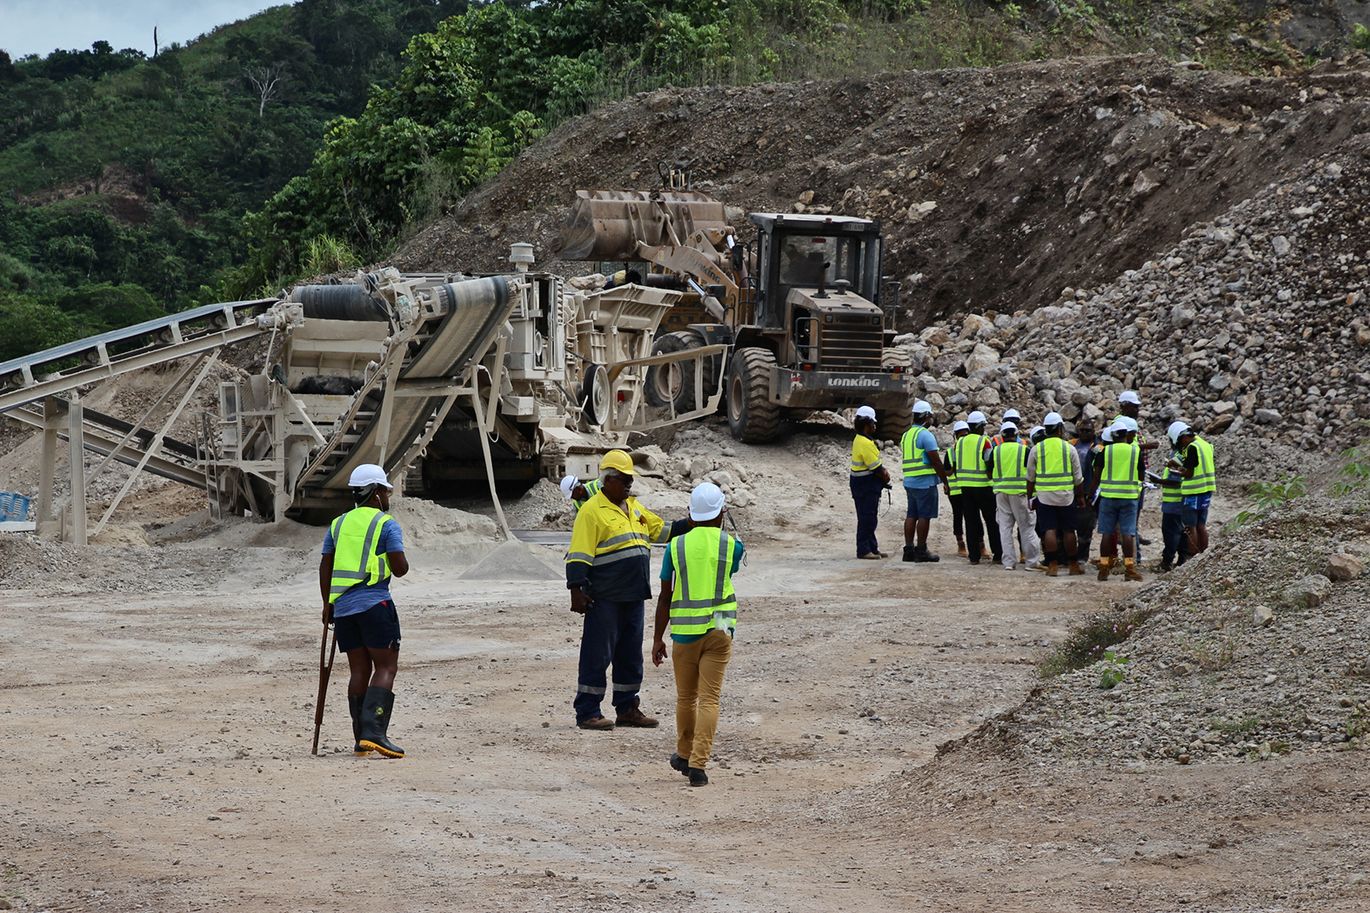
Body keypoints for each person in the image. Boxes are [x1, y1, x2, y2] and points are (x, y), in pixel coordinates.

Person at [565, 449, 668, 730]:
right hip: (606, 596)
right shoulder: (591, 511)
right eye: (623, 480)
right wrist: (576, 589)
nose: (628, 485)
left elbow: (661, 531)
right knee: (597, 654)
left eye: (630, 480)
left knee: (630, 654)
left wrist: (695, 525)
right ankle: (587, 711)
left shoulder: (633, 507)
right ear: (607, 480)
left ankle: (627, 708)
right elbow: (579, 554)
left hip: (634, 595)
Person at [651, 483, 744, 788]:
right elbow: (729, 568)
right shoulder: (731, 545)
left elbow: (665, 597)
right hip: (719, 627)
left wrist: (657, 638)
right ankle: (698, 766)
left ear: (690, 514)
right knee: (710, 699)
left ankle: (683, 752)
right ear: (721, 514)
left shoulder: (675, 547)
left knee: (686, 697)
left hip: (685, 632)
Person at [320, 463, 410, 758]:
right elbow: (399, 569)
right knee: (386, 667)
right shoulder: (386, 524)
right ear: (376, 493)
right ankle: (375, 733)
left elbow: (326, 566)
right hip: (375, 604)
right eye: (385, 491)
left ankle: (361, 737)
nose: (387, 497)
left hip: (343, 608)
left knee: (359, 670)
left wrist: (327, 605)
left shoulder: (338, 524)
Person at [1027, 412, 1084, 576]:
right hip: (1066, 497)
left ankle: (1053, 566)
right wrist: (1080, 497)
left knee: (1049, 530)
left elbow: (1030, 478)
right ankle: (1073, 565)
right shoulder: (1069, 448)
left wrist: (1029, 497)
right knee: (1068, 531)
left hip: (1045, 497)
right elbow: (1078, 478)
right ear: (1060, 428)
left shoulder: (1037, 449)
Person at [1090, 419, 1144, 582]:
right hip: (1129, 497)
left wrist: (1089, 495)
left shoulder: (1105, 451)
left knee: (1107, 533)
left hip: (1108, 497)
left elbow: (1096, 476)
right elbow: (1142, 475)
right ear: (1126, 435)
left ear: (1112, 435)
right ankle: (1129, 568)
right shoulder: (1135, 451)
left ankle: (1104, 567)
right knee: (1128, 533)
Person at [900, 400, 948, 562]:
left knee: (911, 515)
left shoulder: (906, 435)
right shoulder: (925, 435)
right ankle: (921, 550)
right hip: (925, 483)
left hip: (910, 482)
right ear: (926, 416)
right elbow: (936, 461)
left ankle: (908, 550)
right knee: (924, 516)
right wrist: (945, 481)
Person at [952, 411, 1001, 565]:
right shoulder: (984, 442)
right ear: (979, 426)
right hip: (984, 487)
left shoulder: (959, 443)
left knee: (971, 522)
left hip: (965, 488)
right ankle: (998, 554)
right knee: (992, 522)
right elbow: (989, 462)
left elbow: (954, 463)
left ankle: (974, 557)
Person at [990, 422, 1040, 571]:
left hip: (1001, 492)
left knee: (1005, 528)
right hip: (1020, 493)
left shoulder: (996, 450)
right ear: (1016, 435)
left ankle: (1009, 562)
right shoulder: (1025, 450)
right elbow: (1032, 472)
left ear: (1002, 436)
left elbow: (989, 470)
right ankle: (1031, 562)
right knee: (1027, 527)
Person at [1113, 391, 1158, 550]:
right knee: (1129, 510)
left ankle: (1132, 534)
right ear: (1124, 406)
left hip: (1137, 473)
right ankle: (1128, 539)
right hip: (1128, 475)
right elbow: (1122, 447)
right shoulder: (1120, 423)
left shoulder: (1131, 423)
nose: (1137, 410)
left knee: (1136, 510)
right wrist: (1147, 446)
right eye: (1134, 407)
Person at [850, 405, 890, 559]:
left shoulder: (860, 439)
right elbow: (876, 467)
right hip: (865, 485)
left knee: (870, 517)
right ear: (867, 424)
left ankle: (872, 547)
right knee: (867, 518)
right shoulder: (865, 443)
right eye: (873, 423)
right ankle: (864, 550)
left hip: (863, 484)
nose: (875, 426)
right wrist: (885, 475)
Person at [1172, 423, 1217, 556]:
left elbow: (1190, 473)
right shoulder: (1205, 444)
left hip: (1193, 492)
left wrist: (1179, 472)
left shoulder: (1192, 447)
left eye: (1180, 442)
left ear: (1183, 437)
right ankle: (1204, 556)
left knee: (1191, 527)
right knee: (1201, 525)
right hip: (1206, 489)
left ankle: (1191, 558)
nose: (1182, 446)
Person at [1156, 421, 1194, 572]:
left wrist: (1158, 481)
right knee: (1182, 531)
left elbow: (1175, 481)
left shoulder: (1178, 456)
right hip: (1180, 501)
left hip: (1174, 503)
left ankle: (1167, 561)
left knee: (1171, 533)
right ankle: (1182, 560)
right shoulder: (1185, 453)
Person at [1070, 419, 1100, 566]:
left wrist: (1092, 492)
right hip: (1071, 490)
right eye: (1082, 430)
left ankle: (1082, 557)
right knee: (1068, 526)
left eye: (1088, 430)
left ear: (1094, 431)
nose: (1084, 433)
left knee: (1085, 527)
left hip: (1088, 490)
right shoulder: (1071, 444)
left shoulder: (1098, 447)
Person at [946, 420, 970, 557]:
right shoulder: (951, 452)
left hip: (969, 488)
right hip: (955, 490)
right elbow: (947, 471)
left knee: (971, 517)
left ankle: (979, 543)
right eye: (961, 436)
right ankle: (960, 543)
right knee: (958, 516)